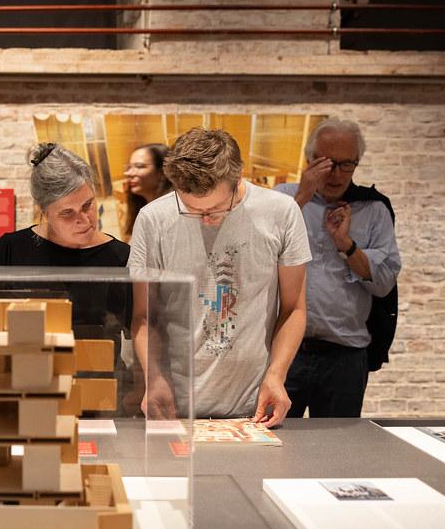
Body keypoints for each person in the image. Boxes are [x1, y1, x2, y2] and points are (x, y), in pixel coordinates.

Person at [128, 127, 310, 427]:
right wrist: (154, 377)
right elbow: (145, 316)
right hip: (175, 404)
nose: (206, 219)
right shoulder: (154, 219)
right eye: (191, 210)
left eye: (216, 208)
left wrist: (276, 375)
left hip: (253, 405)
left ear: (239, 178)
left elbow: (293, 309)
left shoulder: (280, 213)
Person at [275, 118, 401, 417]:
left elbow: (384, 283)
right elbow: (258, 256)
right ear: (309, 160)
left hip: (344, 354)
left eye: (347, 165)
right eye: (328, 163)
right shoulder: (283, 198)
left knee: (339, 444)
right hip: (285, 350)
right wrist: (302, 196)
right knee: (274, 436)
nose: (336, 174)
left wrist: (346, 245)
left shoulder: (373, 208)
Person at [0, 143, 130, 355]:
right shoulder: (9, 250)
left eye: (88, 205)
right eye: (67, 213)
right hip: (25, 370)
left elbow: (141, 330)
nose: (84, 220)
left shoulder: (119, 257)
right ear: (44, 212)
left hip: (97, 373)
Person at [122, 143, 171, 241]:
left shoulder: (171, 215)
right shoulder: (143, 208)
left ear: (162, 172)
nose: (129, 173)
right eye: (129, 167)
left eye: (139, 166)